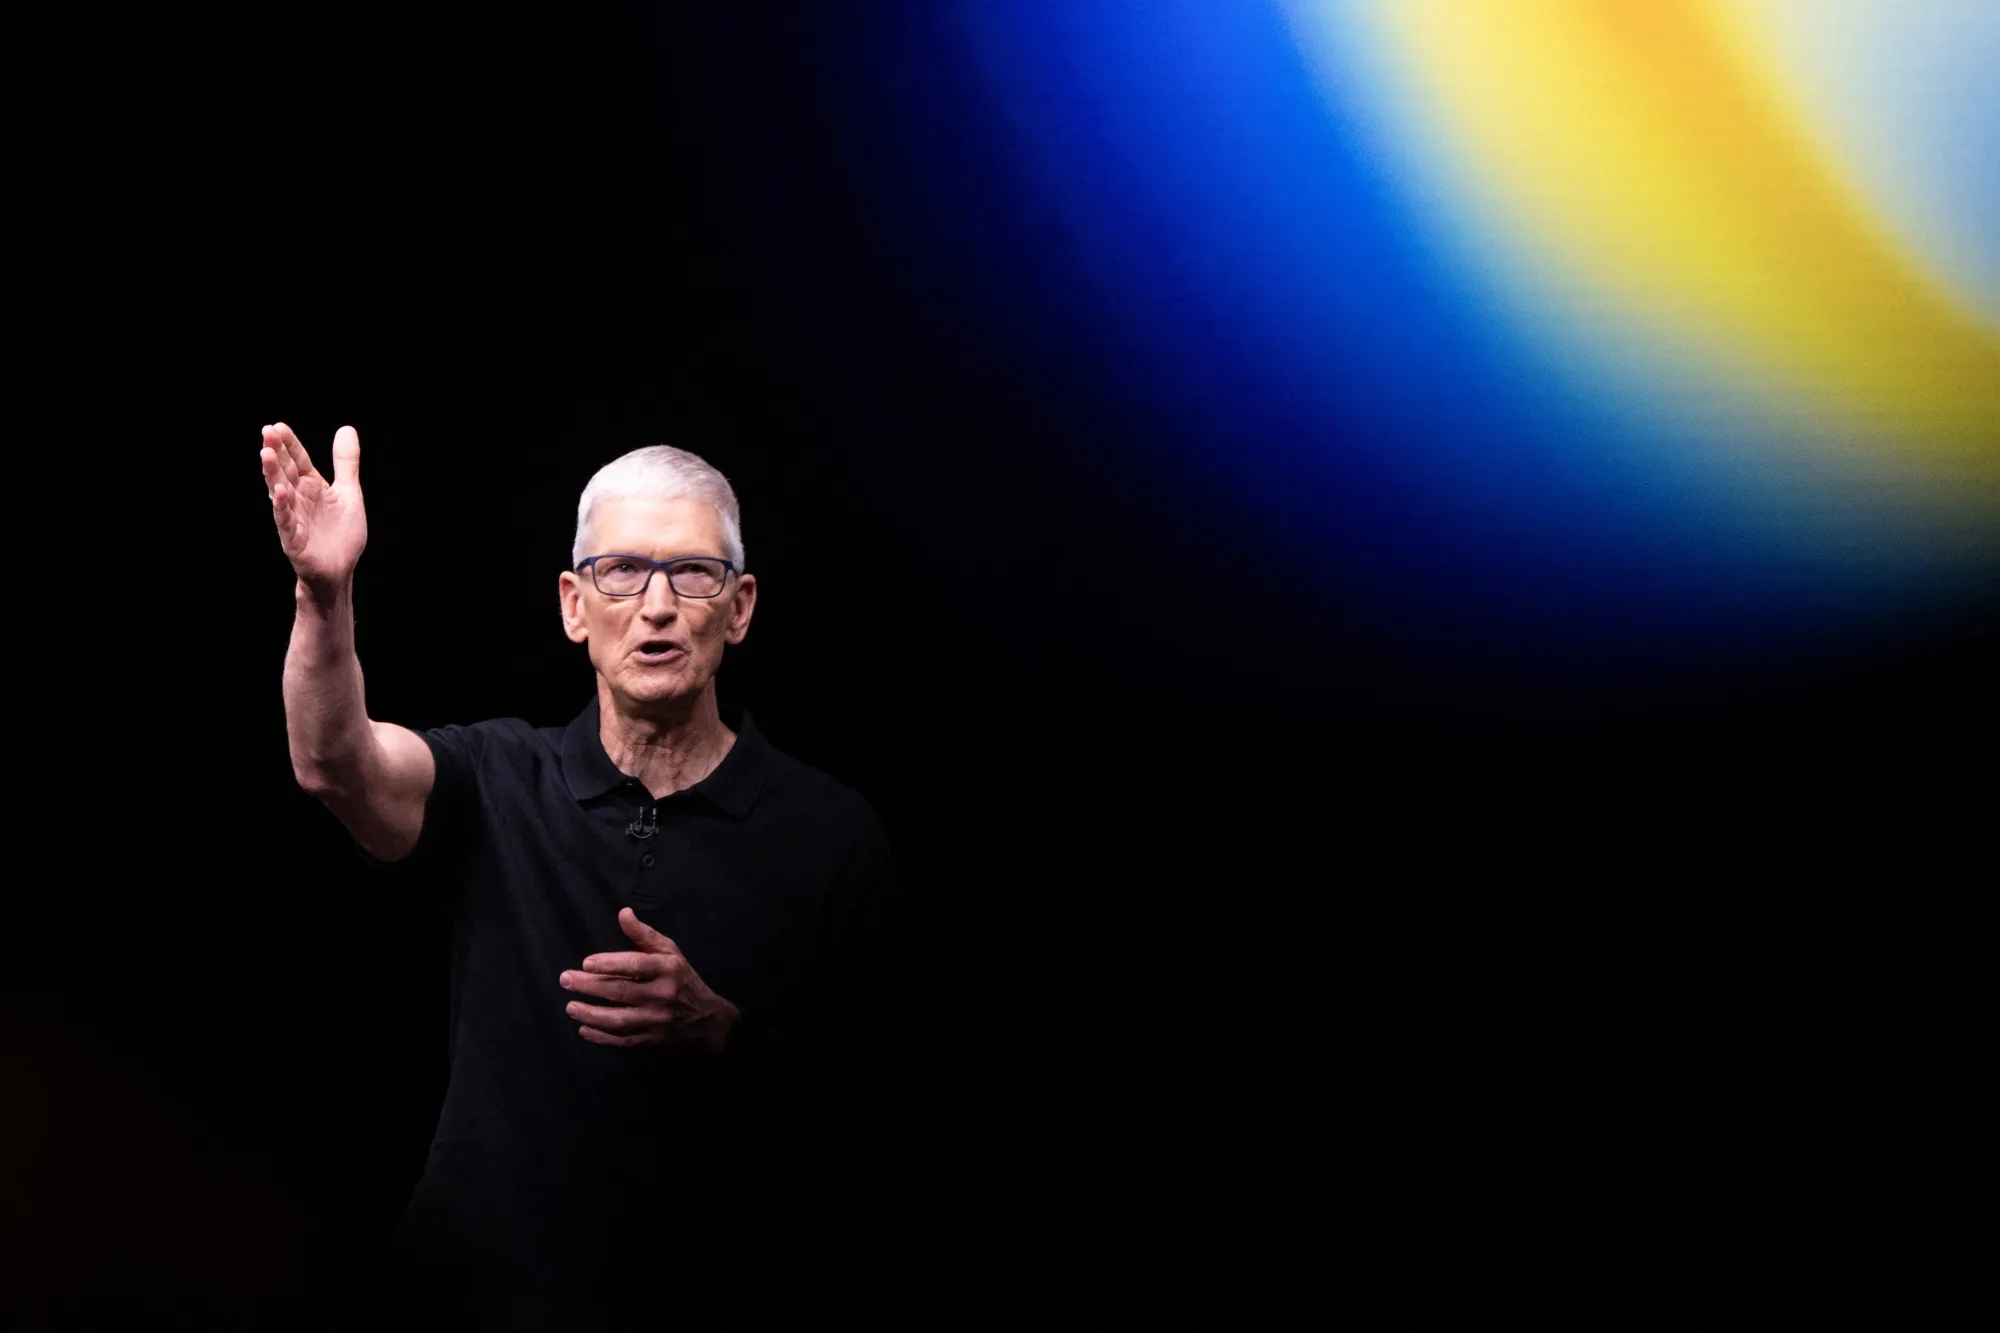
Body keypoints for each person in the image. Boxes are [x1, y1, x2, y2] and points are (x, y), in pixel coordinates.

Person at [260, 422, 905, 1327]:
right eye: (621, 571)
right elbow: (336, 762)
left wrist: (726, 1034)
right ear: (574, 604)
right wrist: (323, 595)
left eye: (693, 572)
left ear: (741, 605)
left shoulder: (833, 835)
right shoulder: (496, 779)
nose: (656, 604)